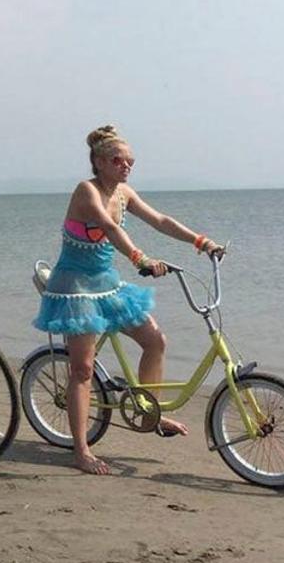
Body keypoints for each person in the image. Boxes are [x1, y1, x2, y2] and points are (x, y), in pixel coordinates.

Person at [33, 125, 224, 475]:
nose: (126, 166)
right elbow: (108, 227)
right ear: (99, 162)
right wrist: (141, 259)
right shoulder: (86, 191)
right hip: (75, 286)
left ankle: (150, 412)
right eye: (118, 160)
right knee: (82, 370)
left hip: (107, 284)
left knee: (155, 341)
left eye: (130, 161)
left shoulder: (124, 193)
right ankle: (81, 450)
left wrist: (202, 242)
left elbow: (160, 220)